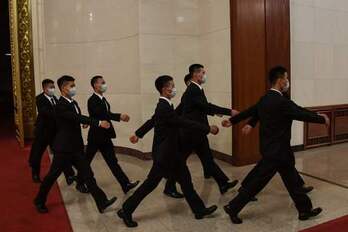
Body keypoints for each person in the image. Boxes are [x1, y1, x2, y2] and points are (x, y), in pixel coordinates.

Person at [221, 66, 330, 224]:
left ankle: (305, 211)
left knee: (293, 181)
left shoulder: (265, 99)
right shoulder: (281, 102)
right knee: (258, 182)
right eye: (286, 78)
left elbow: (251, 111)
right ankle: (233, 207)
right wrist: (321, 118)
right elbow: (300, 113)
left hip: (275, 150)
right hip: (277, 152)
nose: (287, 81)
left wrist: (232, 121)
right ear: (280, 80)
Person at [117, 75, 219, 227]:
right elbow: (182, 121)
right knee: (150, 184)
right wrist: (207, 128)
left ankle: (199, 210)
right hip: (165, 155)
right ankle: (126, 210)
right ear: (164, 89)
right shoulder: (163, 107)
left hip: (173, 153)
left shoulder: (165, 105)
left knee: (186, 181)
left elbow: (153, 120)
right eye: (171, 85)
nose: (174, 88)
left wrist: (138, 134)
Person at [34, 75, 116, 214]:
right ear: (63, 88)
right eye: (71, 86)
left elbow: (75, 118)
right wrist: (97, 122)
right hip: (64, 148)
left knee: (88, 174)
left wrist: (83, 122)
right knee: (52, 176)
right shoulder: (60, 105)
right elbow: (74, 117)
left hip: (76, 147)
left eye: (73, 85)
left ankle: (101, 202)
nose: (74, 88)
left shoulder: (73, 102)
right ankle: (39, 200)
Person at [180, 64, 239, 194]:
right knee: (180, 160)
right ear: (195, 74)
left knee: (207, 158)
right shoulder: (193, 90)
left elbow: (201, 108)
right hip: (192, 132)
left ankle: (223, 183)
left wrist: (215, 112)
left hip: (197, 131)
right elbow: (206, 107)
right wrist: (229, 111)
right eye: (202, 72)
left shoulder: (196, 89)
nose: (204, 75)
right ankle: (169, 186)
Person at [85, 75, 139, 194]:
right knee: (86, 160)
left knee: (112, 161)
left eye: (104, 82)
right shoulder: (92, 100)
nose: (105, 84)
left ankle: (125, 184)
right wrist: (119, 116)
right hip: (96, 137)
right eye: (102, 82)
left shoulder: (103, 99)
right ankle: (80, 182)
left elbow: (106, 113)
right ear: (95, 85)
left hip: (105, 136)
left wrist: (118, 116)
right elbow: (101, 114)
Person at [28, 79, 75, 185]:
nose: (53, 89)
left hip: (54, 133)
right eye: (50, 87)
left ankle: (69, 175)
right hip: (42, 132)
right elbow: (46, 112)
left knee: (60, 153)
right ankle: (35, 174)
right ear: (44, 88)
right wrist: (60, 112)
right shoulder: (39, 99)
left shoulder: (55, 98)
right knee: (37, 154)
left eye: (53, 87)